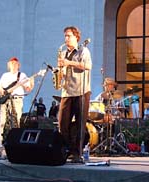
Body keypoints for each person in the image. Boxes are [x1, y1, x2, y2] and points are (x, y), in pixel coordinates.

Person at [57, 26, 92, 163]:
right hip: (66, 91)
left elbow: (87, 65)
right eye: (65, 36)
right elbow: (63, 71)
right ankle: (64, 150)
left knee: (79, 124)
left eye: (69, 36)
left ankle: (77, 153)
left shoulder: (84, 51)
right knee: (62, 124)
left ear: (76, 37)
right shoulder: (64, 52)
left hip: (81, 91)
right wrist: (59, 73)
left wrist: (69, 63)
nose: (66, 38)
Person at [0, 57, 34, 147]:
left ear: (18, 65)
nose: (13, 65)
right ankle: (0, 143)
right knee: (2, 121)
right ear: (9, 65)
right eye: (11, 63)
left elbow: (28, 89)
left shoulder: (22, 75)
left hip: (16, 99)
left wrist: (32, 83)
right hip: (5, 100)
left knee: (15, 121)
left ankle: (14, 142)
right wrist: (1, 90)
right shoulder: (5, 75)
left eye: (15, 63)